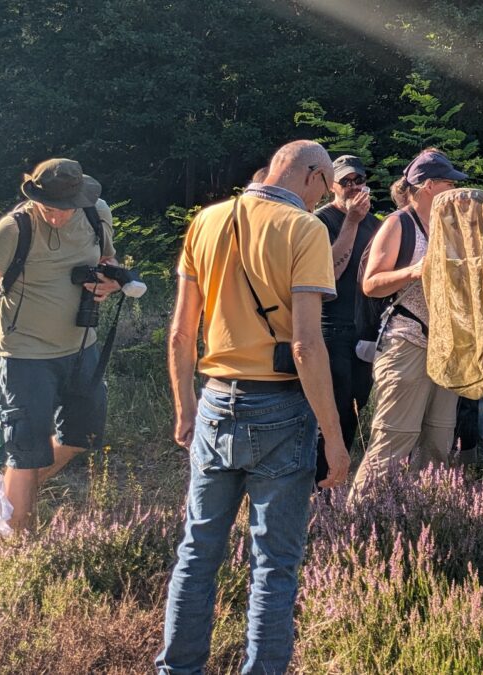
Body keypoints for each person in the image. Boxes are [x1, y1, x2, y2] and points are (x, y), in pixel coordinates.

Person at [158, 140, 349, 674]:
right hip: (282, 409)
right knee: (274, 566)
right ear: (312, 177)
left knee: (196, 553)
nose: (325, 198)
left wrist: (185, 407)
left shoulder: (208, 220)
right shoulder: (306, 230)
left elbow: (180, 332)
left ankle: (177, 669)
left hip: (217, 399)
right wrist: (333, 438)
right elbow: (307, 346)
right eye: (327, 186)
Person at [0, 158, 123, 532]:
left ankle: (5, 501)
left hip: (82, 347)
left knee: (82, 436)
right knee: (25, 450)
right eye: (49, 209)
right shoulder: (13, 229)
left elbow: (108, 260)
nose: (57, 217)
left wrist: (111, 283)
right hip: (25, 355)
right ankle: (18, 542)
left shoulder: (95, 213)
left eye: (64, 209)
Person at [349, 149, 466, 498]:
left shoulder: (449, 227)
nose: (455, 189)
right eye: (449, 183)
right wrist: (415, 270)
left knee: (439, 440)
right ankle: (357, 523)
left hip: (446, 349)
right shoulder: (399, 223)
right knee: (394, 439)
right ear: (429, 186)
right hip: (406, 344)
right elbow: (371, 283)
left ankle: (420, 525)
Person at [312, 155, 378, 481]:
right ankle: (318, 487)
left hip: (364, 332)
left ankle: (334, 482)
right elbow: (328, 277)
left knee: (355, 409)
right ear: (331, 186)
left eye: (359, 180)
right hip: (331, 329)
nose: (353, 187)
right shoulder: (320, 221)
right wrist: (351, 222)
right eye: (346, 181)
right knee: (332, 414)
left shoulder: (375, 223)